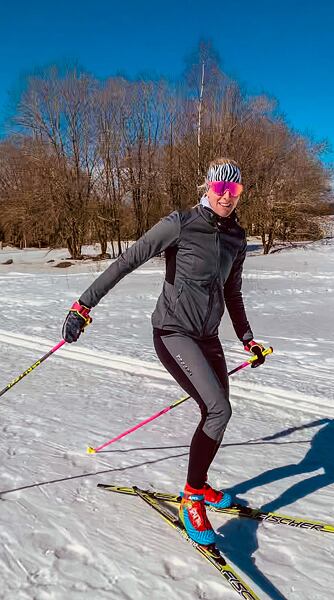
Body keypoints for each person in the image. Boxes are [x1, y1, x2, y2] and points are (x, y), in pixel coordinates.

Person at [62, 158, 267, 546]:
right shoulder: (181, 223)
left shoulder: (236, 237)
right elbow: (129, 259)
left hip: (208, 337)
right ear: (207, 188)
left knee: (218, 411)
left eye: (234, 191)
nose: (226, 197)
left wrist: (247, 338)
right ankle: (192, 496)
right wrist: (83, 305)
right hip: (173, 333)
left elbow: (232, 292)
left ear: (241, 193)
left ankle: (201, 484)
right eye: (220, 190)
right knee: (219, 410)